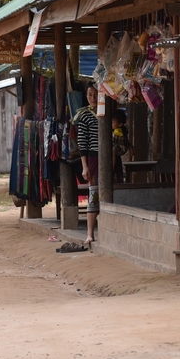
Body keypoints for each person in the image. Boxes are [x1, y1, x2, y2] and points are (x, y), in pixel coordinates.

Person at [75, 85, 100, 247]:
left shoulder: (108, 113)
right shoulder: (84, 116)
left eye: (96, 94)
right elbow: (82, 144)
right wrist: (85, 166)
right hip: (93, 159)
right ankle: (90, 234)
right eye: (90, 95)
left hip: (110, 158)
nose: (93, 98)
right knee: (94, 194)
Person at [111, 109, 132, 184]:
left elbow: (121, 141)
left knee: (113, 150)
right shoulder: (117, 130)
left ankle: (112, 167)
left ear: (120, 124)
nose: (111, 124)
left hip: (120, 148)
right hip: (119, 147)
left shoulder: (118, 132)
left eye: (112, 123)